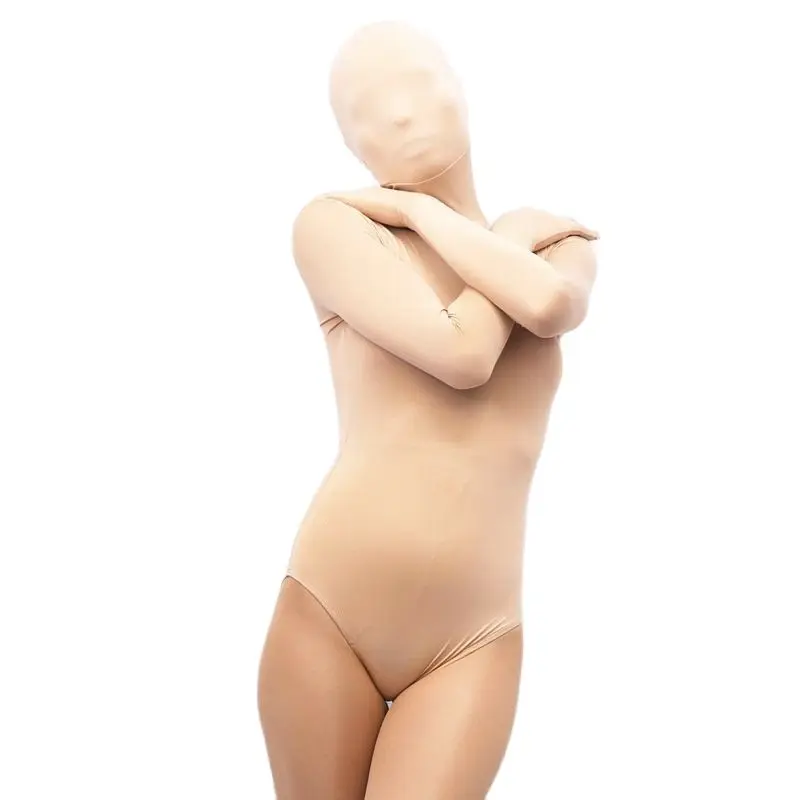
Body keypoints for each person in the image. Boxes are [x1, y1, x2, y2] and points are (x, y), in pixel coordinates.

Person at [257, 19, 599, 800]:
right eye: (365, 108)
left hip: (475, 633)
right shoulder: (333, 224)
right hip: (331, 607)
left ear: (460, 90)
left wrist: (449, 220)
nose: (400, 113)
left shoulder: (554, 244)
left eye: (416, 83)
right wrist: (446, 224)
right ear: (351, 145)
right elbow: (462, 355)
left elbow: (550, 306)